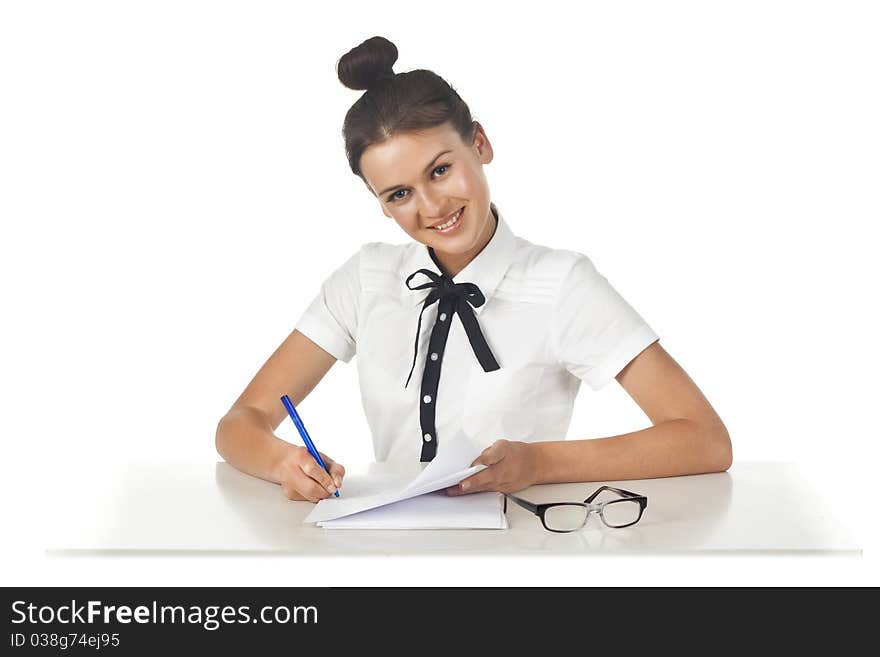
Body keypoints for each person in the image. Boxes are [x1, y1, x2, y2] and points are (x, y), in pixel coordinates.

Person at [215, 35, 732, 504]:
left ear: (479, 143)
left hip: (520, 553)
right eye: (399, 194)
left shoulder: (561, 284)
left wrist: (540, 462)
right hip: (386, 554)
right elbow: (240, 423)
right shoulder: (364, 279)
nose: (432, 206)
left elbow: (703, 438)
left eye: (440, 170)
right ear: (381, 204)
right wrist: (285, 461)